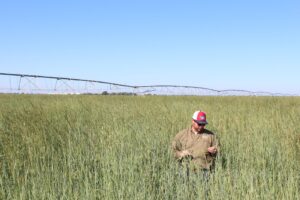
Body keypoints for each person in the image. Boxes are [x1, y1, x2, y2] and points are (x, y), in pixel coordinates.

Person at [172, 110, 219, 178]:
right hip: (185, 171)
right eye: (199, 124)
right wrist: (181, 154)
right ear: (193, 121)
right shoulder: (181, 135)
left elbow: (218, 151)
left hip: (205, 172)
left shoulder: (211, 136)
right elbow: (172, 151)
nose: (201, 126)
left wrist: (214, 151)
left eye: (203, 124)